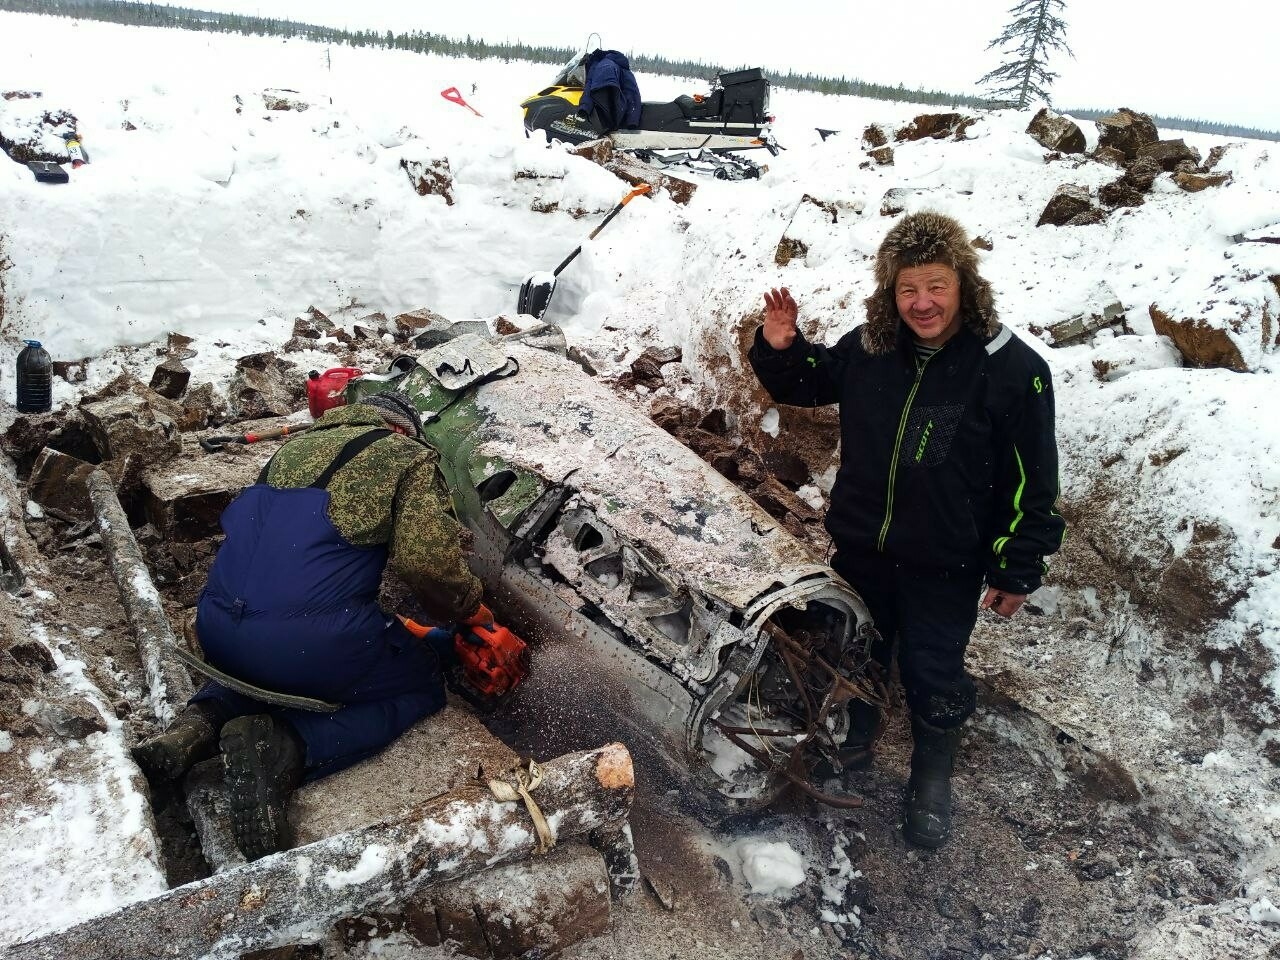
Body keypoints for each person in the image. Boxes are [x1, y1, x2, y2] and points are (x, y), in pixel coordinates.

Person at [749, 211, 1065, 848]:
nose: (922, 303)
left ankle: (931, 773)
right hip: (863, 544)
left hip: (946, 560)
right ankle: (859, 730)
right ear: (889, 291)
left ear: (963, 285)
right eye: (907, 288)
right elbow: (810, 381)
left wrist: (1015, 567)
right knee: (861, 646)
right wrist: (780, 348)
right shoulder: (871, 348)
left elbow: (1034, 480)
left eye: (936, 285)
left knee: (932, 669)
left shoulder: (1011, 370)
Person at [134, 392, 492, 859]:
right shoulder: (406, 458)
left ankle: (195, 726)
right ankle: (287, 747)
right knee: (420, 684)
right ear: (404, 429)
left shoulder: (290, 450)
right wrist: (469, 610)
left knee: (266, 658)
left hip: (218, 628)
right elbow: (426, 562)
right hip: (303, 647)